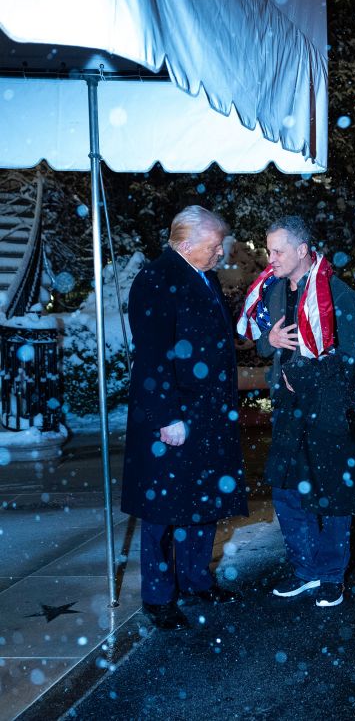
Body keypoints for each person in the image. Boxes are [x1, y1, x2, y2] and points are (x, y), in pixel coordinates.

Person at [122, 205, 247, 631]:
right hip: (174, 415)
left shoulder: (202, 274)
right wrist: (166, 417)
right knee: (162, 508)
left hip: (208, 413)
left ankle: (195, 579)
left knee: (203, 498)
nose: (219, 255)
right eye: (214, 247)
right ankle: (159, 597)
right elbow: (153, 355)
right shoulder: (157, 279)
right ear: (187, 243)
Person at [237, 216, 355, 608]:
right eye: (268, 249)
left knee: (332, 494)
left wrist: (308, 375)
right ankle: (306, 569)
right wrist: (270, 340)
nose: (270, 258)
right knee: (288, 490)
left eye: (277, 250)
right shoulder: (274, 291)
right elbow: (261, 342)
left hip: (328, 411)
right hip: (287, 409)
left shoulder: (338, 293)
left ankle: (331, 575)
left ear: (301, 250)